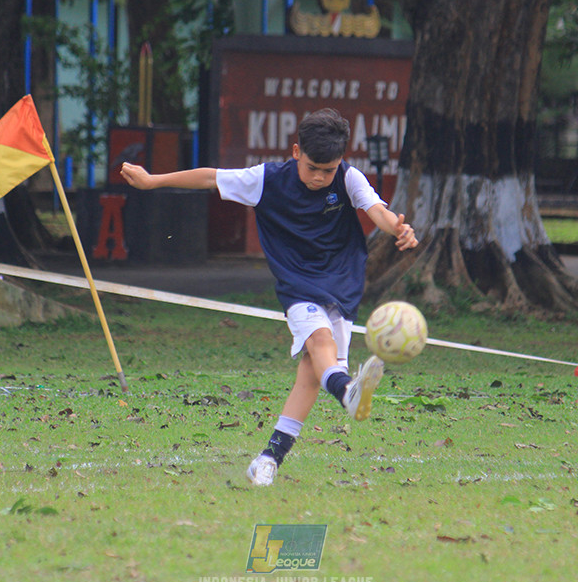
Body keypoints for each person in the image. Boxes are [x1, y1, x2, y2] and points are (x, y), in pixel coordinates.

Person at [119, 108, 418, 486]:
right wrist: (152, 181)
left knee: (311, 375)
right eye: (313, 168)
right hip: (297, 282)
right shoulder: (265, 179)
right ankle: (346, 391)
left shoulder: (348, 178)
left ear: (341, 162)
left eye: (329, 170)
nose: (320, 178)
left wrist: (398, 230)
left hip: (342, 282)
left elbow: (377, 211)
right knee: (319, 342)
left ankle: (268, 458)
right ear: (296, 152)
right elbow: (211, 177)